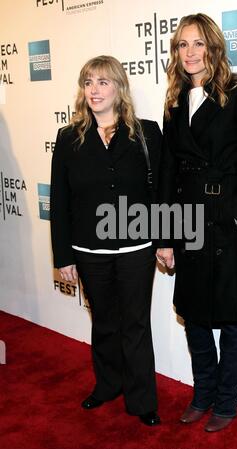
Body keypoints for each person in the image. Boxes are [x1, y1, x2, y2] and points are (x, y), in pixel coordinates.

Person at [156, 13, 237, 432]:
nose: (189, 52)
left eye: (197, 43)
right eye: (182, 45)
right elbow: (168, 172)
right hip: (188, 220)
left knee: (231, 315)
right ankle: (202, 393)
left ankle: (227, 400)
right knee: (194, 313)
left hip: (229, 223)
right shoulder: (174, 102)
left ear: (213, 47)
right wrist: (165, 235)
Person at [50, 55, 162, 426]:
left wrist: (164, 240)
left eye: (103, 82)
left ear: (119, 88)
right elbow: (61, 200)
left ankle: (142, 399)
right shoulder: (69, 138)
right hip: (88, 250)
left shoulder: (146, 133)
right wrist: (62, 255)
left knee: (135, 323)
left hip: (136, 248)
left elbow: (159, 193)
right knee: (104, 321)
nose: (94, 90)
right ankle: (107, 384)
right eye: (88, 82)